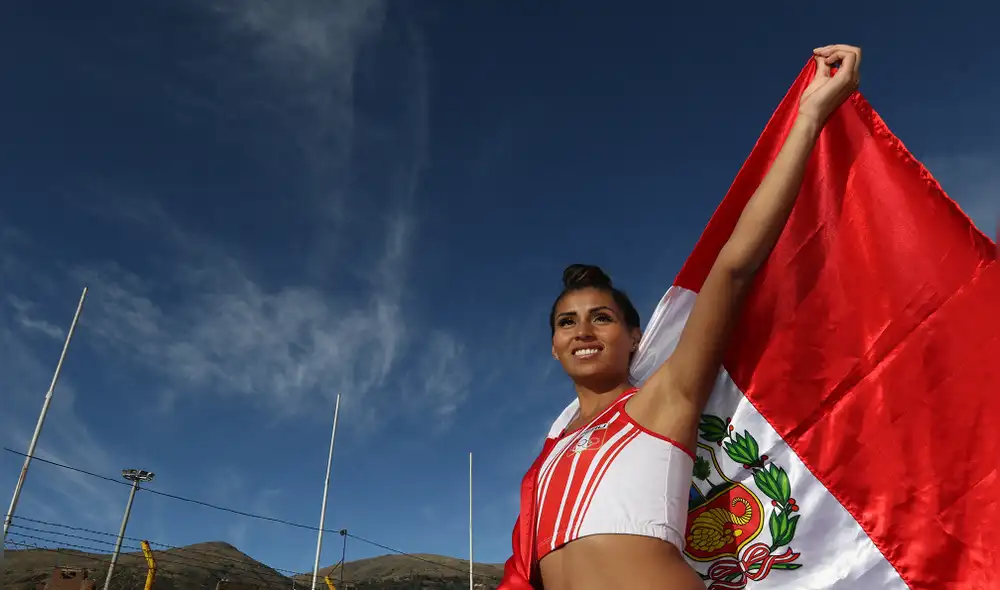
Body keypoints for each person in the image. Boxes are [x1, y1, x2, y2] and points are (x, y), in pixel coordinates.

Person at [500, 45, 863, 590]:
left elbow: (735, 267)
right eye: (566, 322)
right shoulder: (546, 460)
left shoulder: (665, 397)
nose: (582, 331)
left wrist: (810, 116)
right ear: (553, 346)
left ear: (634, 338)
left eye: (601, 317)